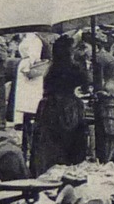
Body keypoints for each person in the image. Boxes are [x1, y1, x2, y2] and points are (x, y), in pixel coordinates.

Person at [30, 34, 90, 176]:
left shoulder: (51, 68)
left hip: (49, 107)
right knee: (70, 142)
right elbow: (86, 82)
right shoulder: (74, 68)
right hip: (68, 107)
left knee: (50, 144)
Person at [86, 30, 114, 165]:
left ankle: (104, 160)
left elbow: (96, 81)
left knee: (105, 134)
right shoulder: (104, 56)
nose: (84, 51)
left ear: (95, 46)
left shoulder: (99, 58)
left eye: (85, 47)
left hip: (110, 94)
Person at [12, 30, 49, 127]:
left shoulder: (35, 39)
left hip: (30, 66)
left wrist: (29, 66)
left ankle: (31, 114)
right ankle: (21, 118)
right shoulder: (25, 38)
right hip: (24, 63)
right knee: (22, 93)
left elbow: (35, 56)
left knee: (31, 92)